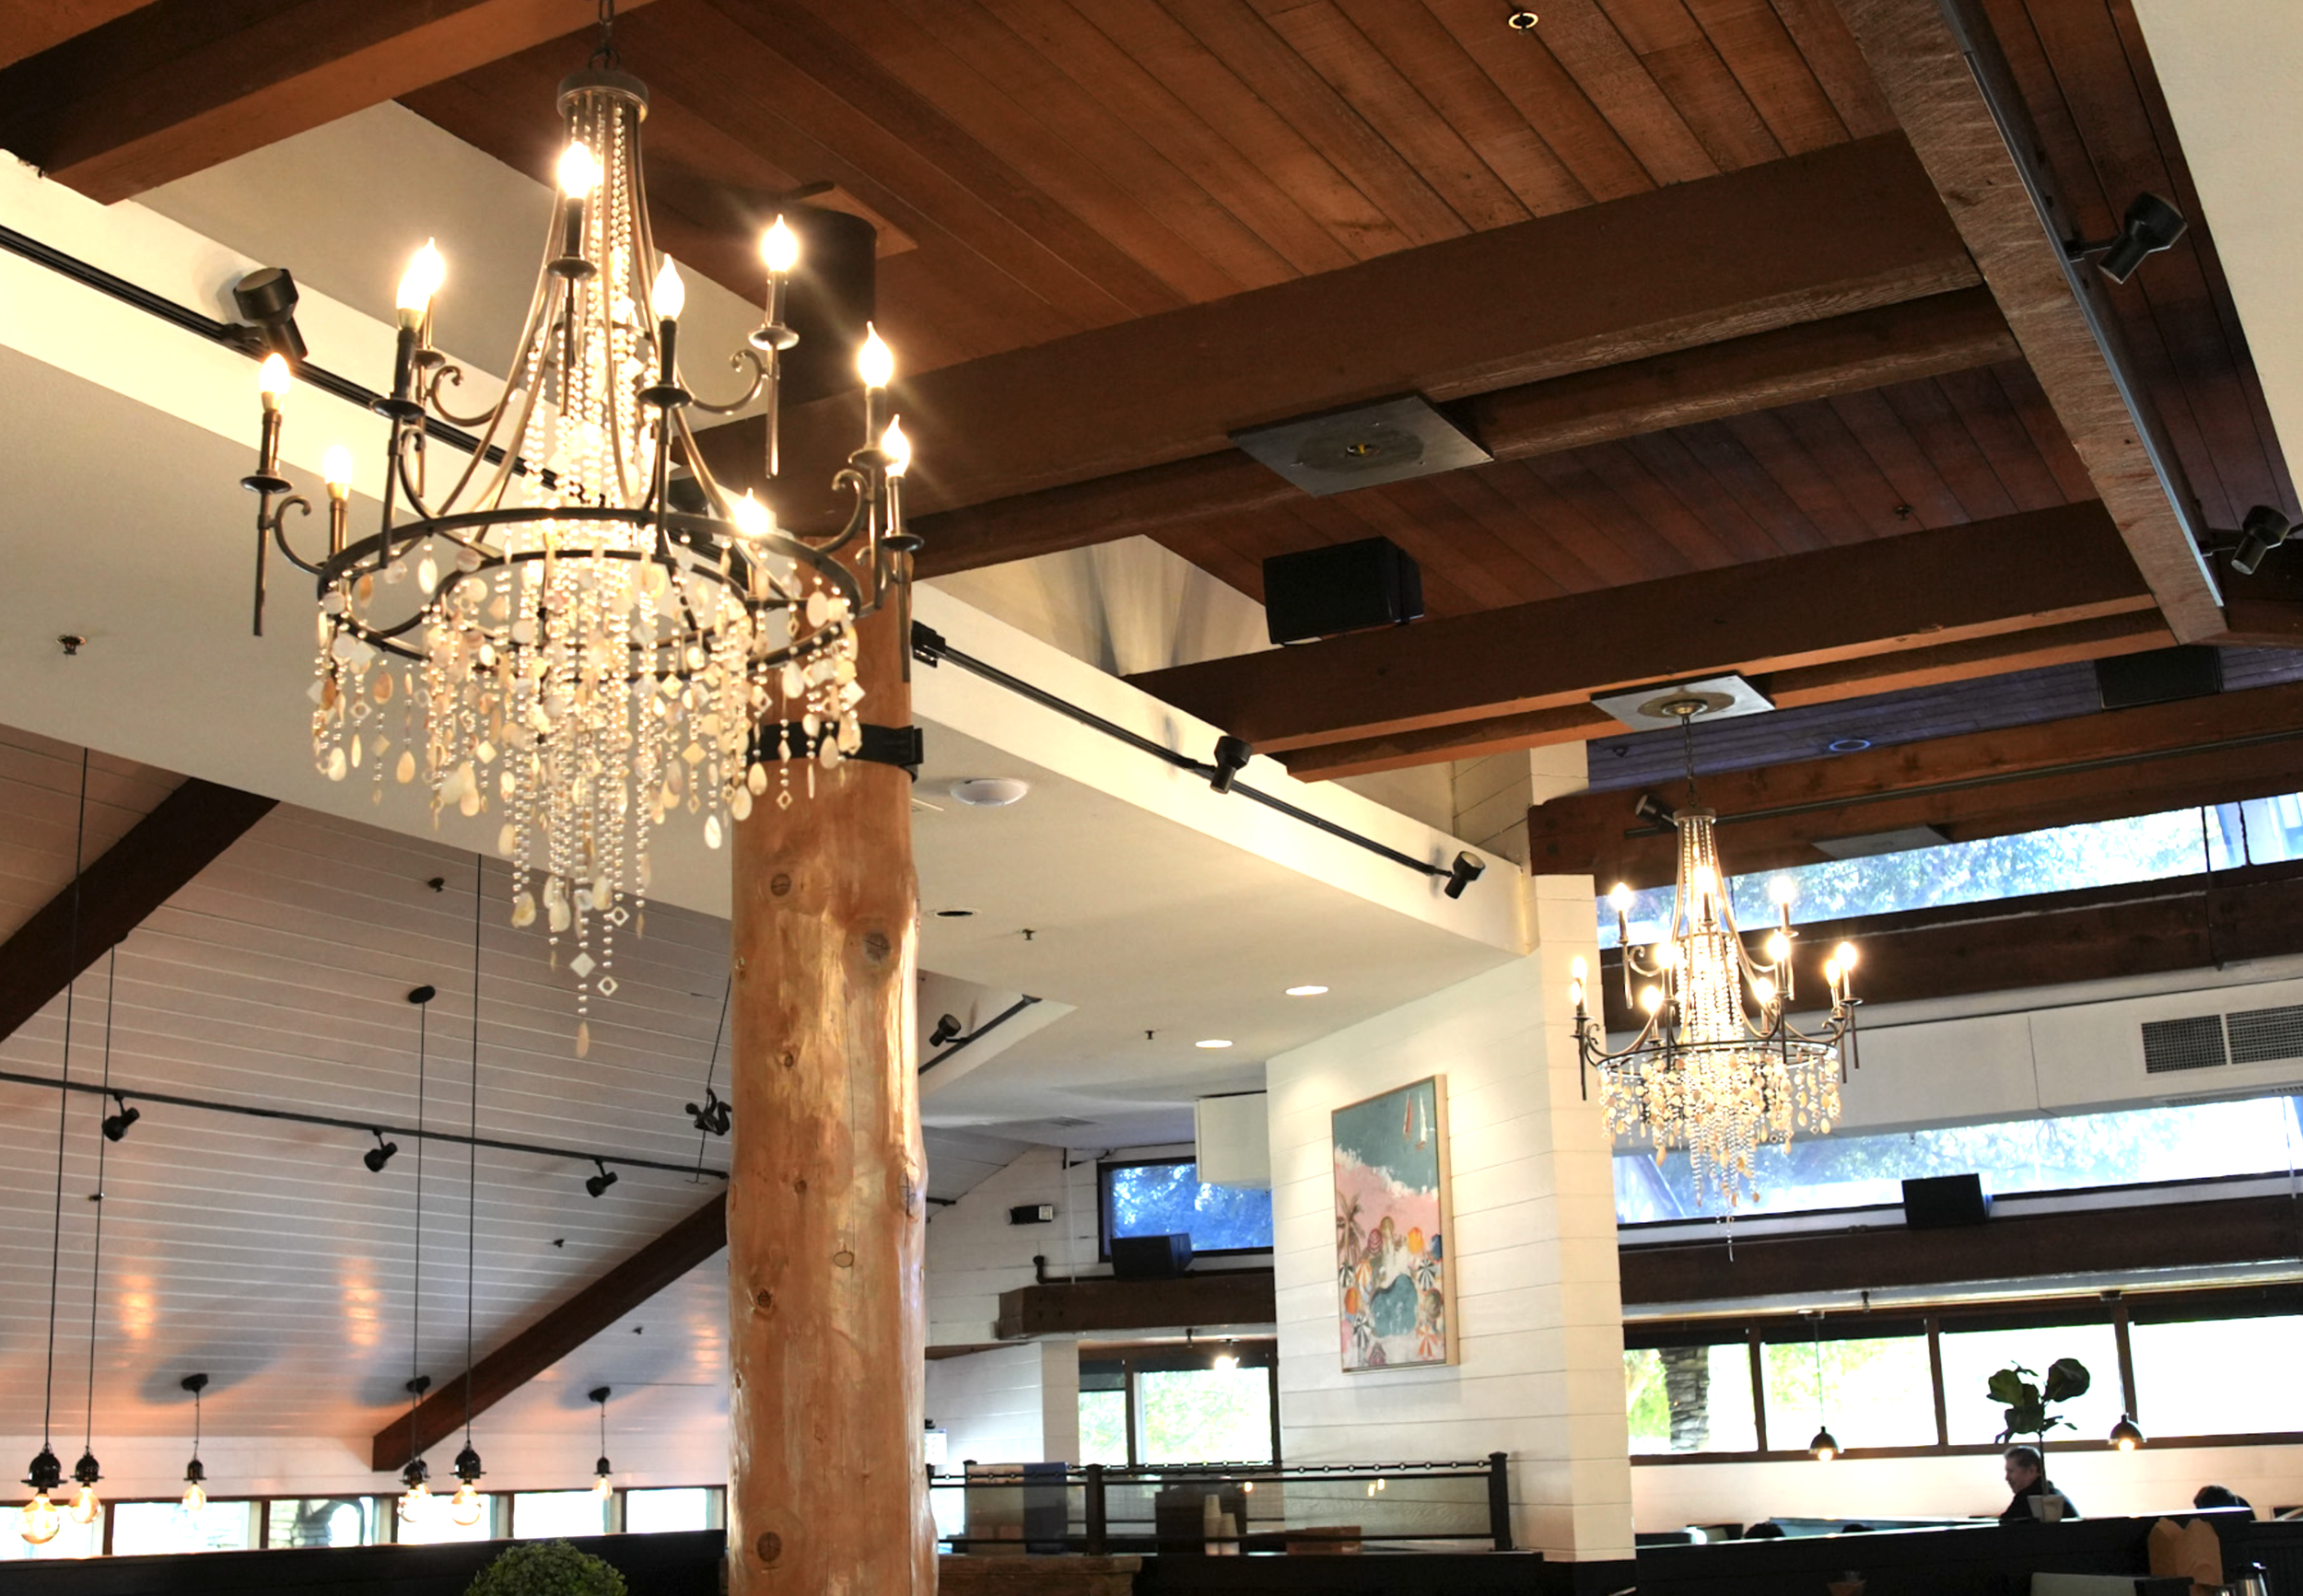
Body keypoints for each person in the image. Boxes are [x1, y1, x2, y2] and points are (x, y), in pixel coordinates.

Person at [2000, 1446, 2078, 1521]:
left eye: (2011, 1471)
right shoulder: (2055, 1493)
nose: (2007, 1478)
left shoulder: (2027, 1498)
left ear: (2031, 1470)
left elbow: (2005, 1525)